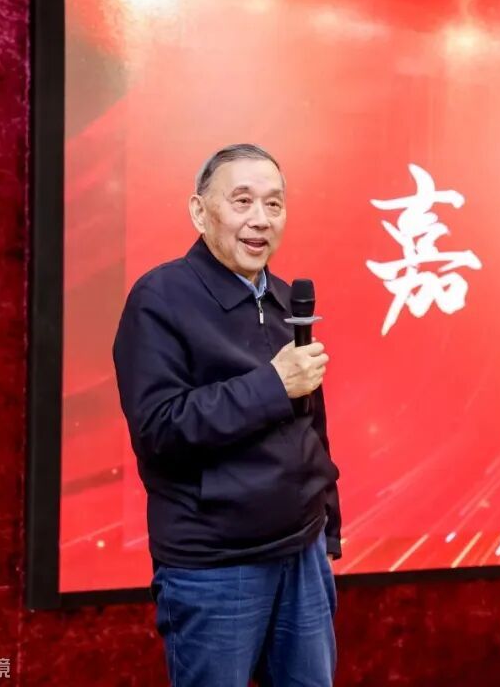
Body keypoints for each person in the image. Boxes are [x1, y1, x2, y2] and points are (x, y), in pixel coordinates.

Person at [112, 144, 341, 687]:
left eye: (274, 204)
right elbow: (160, 429)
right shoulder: (160, 298)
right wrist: (272, 385)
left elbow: (311, 427)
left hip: (302, 553)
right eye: (242, 201)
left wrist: (328, 526)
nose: (260, 219)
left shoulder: (285, 300)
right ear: (199, 211)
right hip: (216, 565)